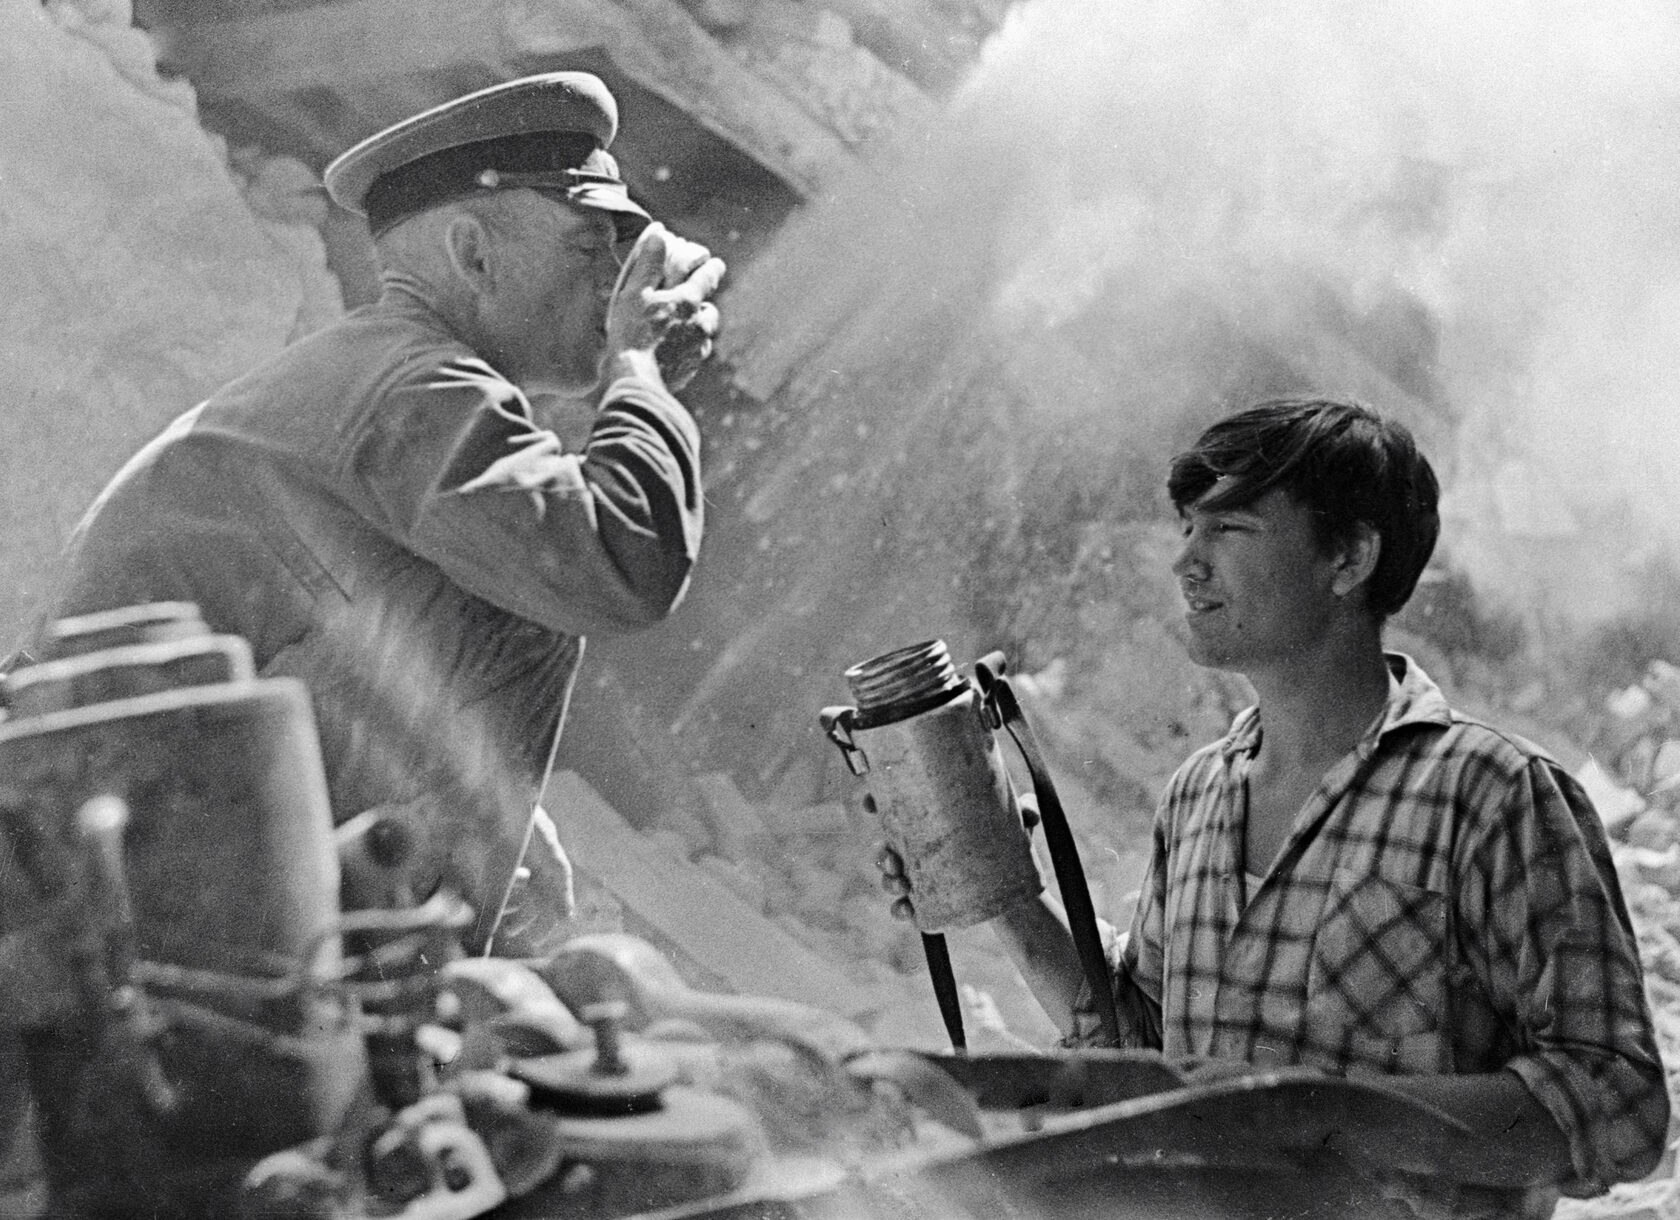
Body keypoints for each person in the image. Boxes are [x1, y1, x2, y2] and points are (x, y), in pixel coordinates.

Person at [879, 398, 1670, 1217]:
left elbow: (1619, 1101)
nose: (1186, 563)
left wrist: (1321, 1113)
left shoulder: (1492, 793)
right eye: (1188, 527)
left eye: (1229, 529)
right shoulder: (1198, 795)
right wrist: (1003, 889)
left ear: (1349, 557)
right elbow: (1148, 1054)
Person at [23, 70, 723, 958]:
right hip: (112, 888)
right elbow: (619, 565)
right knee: (523, 604)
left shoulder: (382, 369)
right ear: (473, 256)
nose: (612, 287)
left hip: (105, 845)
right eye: (589, 250)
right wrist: (641, 371)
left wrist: (500, 818)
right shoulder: (413, 388)